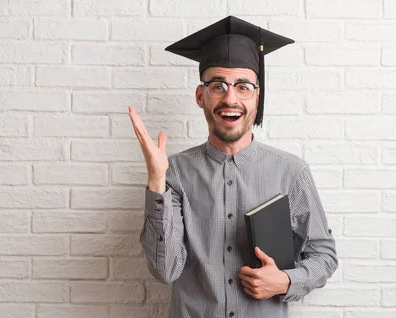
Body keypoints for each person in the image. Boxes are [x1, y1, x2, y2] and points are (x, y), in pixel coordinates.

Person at [128, 16, 338, 318]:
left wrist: (286, 280)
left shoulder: (291, 172)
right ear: (201, 96)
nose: (230, 98)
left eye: (243, 86)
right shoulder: (175, 173)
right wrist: (157, 181)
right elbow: (165, 270)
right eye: (218, 85)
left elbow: (324, 255)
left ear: (257, 96)